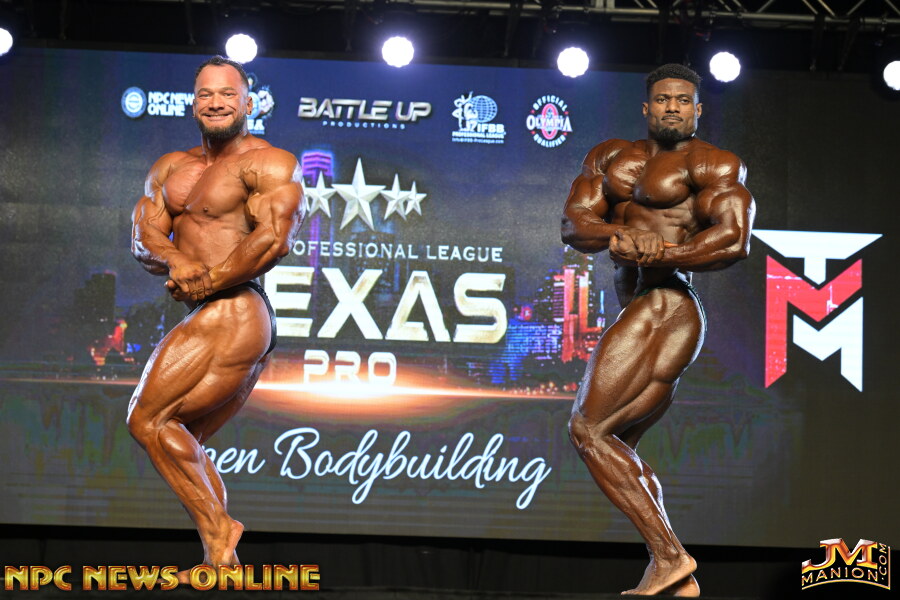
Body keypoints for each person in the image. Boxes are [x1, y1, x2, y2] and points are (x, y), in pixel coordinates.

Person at [560, 63, 755, 596]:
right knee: (615, 444)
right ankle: (672, 577)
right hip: (641, 306)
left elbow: (733, 239)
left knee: (587, 429)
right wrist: (619, 233)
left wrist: (662, 252)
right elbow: (574, 223)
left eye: (683, 100)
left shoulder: (712, 164)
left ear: (697, 109)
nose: (673, 107)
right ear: (647, 107)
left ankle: (670, 556)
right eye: (664, 99)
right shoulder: (610, 158)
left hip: (667, 304)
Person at [127, 55, 305, 577]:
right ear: (193, 104)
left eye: (227, 93)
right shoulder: (170, 168)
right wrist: (177, 260)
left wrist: (207, 280)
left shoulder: (269, 163)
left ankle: (221, 530)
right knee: (182, 437)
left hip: (236, 306)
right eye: (206, 94)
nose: (216, 102)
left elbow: (273, 240)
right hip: (214, 311)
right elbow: (143, 235)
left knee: (146, 419)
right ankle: (221, 562)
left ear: (248, 103)